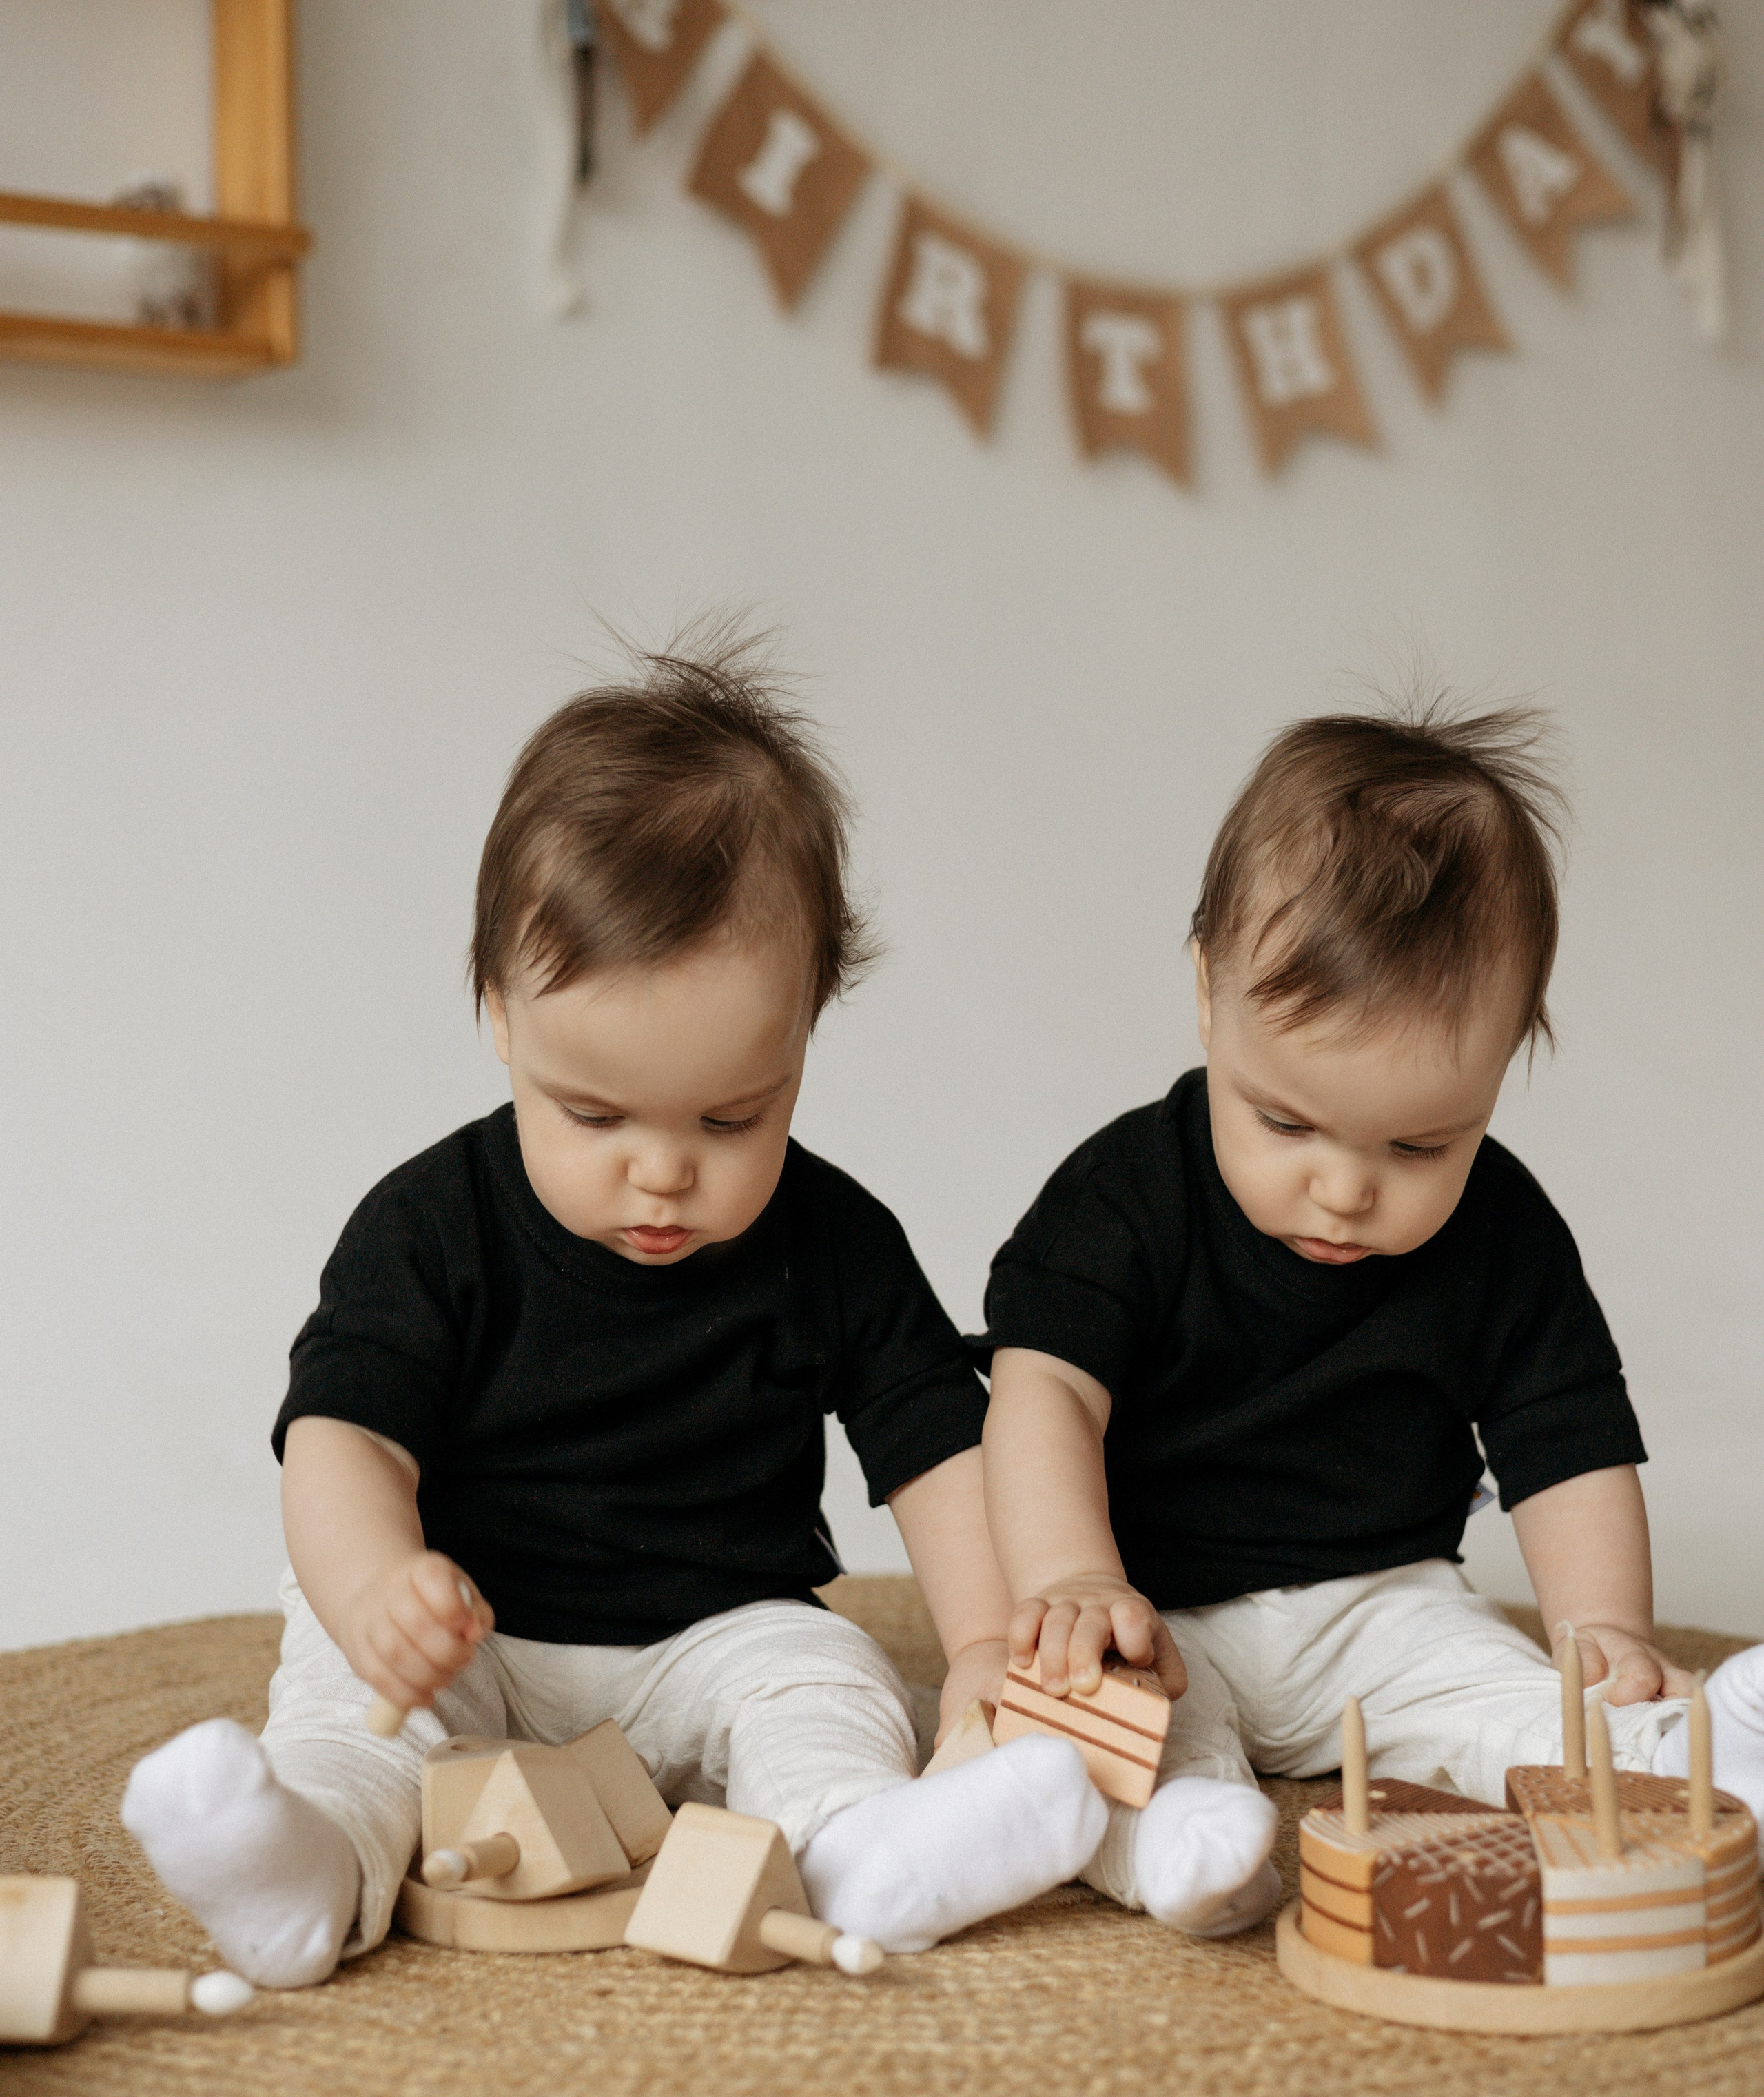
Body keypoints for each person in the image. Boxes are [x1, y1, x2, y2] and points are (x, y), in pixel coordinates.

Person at [122, 638, 1104, 1985]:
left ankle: (856, 1845)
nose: (661, 1169)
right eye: (591, 1114)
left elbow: (938, 1448)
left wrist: (988, 1644)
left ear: (800, 1045)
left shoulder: (832, 1241)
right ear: (499, 1020)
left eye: (730, 1116)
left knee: (824, 1681)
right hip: (473, 1630)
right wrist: (375, 1591)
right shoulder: (430, 1228)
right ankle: (302, 1868)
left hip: (714, 1629)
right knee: (361, 1722)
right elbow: (340, 1440)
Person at [976, 697, 1764, 1936]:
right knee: (1105, 1732)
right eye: (1284, 1123)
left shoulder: (1504, 1231)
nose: (1344, 1189)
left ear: (1505, 1066)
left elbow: (1567, 1442)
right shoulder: (1126, 1195)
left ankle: (1692, 1760)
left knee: (1522, 1707)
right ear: (1206, 993)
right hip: (1161, 1605)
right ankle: (1187, 1843)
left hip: (1388, 1604)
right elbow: (1044, 1391)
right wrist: (1075, 1573)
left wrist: (1603, 1630)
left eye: (1418, 1144)